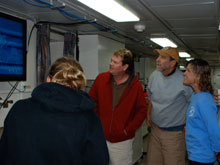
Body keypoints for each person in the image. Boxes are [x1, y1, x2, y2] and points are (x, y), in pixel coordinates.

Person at [0, 57, 109, 165]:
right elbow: (99, 160)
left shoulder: (19, 109)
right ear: (79, 83)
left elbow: (5, 153)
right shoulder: (88, 120)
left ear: (48, 79)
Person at [89, 48, 147, 165]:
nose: (111, 64)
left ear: (125, 67)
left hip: (122, 141)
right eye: (111, 60)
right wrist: (96, 124)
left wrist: (127, 130)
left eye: (115, 62)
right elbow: (91, 103)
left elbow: (141, 111)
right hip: (100, 137)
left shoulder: (135, 86)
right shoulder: (101, 79)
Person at [146, 47, 193, 165]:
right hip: (155, 131)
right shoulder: (154, 76)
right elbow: (151, 99)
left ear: (173, 62)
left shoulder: (184, 81)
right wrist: (148, 115)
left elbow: (193, 104)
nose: (157, 60)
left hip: (174, 134)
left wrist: (188, 124)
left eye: (162, 57)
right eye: (158, 56)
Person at [183, 59, 220, 165]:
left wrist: (218, 149)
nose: (184, 73)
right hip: (194, 153)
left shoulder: (204, 100)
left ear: (198, 77)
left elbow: (213, 129)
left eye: (188, 70)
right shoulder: (195, 96)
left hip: (202, 155)